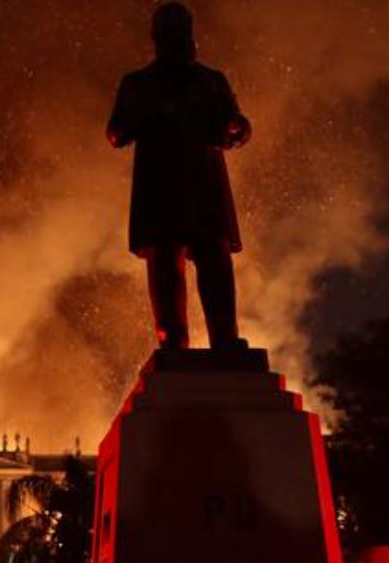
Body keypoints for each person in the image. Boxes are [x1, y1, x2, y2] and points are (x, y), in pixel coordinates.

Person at [107, 2, 252, 351]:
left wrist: (237, 128)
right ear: (158, 37)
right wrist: (153, 116)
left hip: (203, 182)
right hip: (161, 185)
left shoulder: (211, 81)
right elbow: (116, 132)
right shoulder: (138, 83)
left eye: (180, 31)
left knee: (214, 259)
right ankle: (173, 341)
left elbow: (238, 123)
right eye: (169, 32)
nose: (176, 39)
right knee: (166, 263)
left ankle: (225, 339)